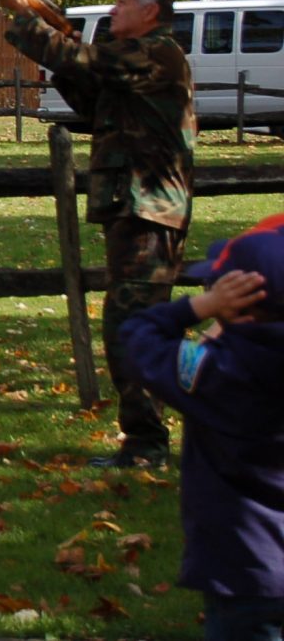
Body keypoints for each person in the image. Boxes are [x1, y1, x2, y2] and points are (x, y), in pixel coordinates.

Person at [0, 0, 194, 468]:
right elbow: (93, 99)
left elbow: (81, 57)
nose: (112, 11)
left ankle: (149, 444)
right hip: (134, 208)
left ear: (149, 11)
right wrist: (58, 53)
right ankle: (149, 439)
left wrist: (27, 12)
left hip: (150, 211)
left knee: (136, 328)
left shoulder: (155, 53)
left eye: (123, 3)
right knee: (131, 326)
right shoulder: (132, 61)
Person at [122, 214, 284, 641]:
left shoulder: (218, 375)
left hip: (246, 571)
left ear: (239, 307)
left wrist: (198, 310)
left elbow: (138, 335)